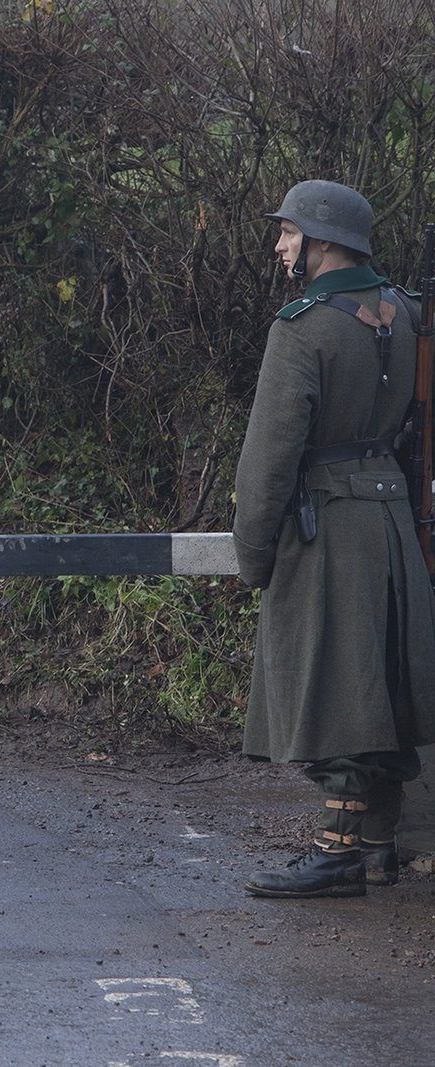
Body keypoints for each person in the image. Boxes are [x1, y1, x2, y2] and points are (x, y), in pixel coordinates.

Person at [233, 179, 435, 898]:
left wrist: (252, 552)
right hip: (394, 523)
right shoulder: (411, 314)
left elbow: (267, 458)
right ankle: (379, 842)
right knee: (381, 676)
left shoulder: (303, 327)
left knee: (340, 685)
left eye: (288, 233)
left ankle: (336, 850)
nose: (282, 247)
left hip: (327, 525)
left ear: (323, 242)